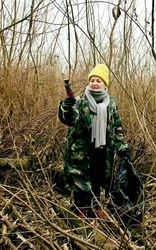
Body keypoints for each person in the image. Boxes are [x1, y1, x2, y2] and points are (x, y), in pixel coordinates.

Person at [58, 64, 132, 218]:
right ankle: (81, 210)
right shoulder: (80, 101)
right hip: (82, 151)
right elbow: (69, 119)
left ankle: (96, 207)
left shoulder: (111, 104)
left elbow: (116, 127)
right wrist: (65, 108)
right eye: (92, 80)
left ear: (105, 84)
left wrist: (122, 146)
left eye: (99, 80)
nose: (95, 83)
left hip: (103, 150)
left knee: (99, 179)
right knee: (81, 182)